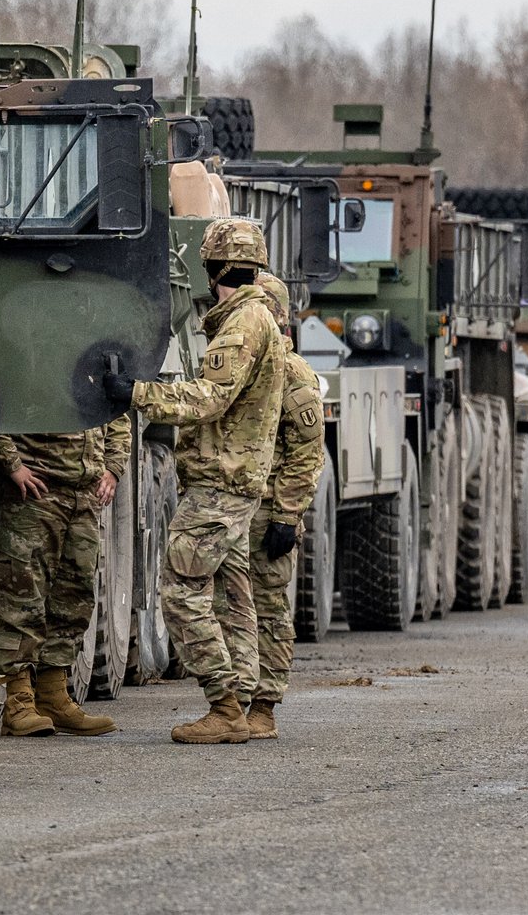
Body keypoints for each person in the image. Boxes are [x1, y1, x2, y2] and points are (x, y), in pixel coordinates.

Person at [104, 218, 285, 744]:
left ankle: (224, 705)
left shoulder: (243, 323)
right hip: (235, 485)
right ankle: (247, 703)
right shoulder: (254, 319)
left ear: (215, 269)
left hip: (219, 487)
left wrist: (137, 393)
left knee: (179, 593)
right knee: (233, 595)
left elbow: (211, 397)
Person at [0, 417, 131, 737]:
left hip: (83, 497)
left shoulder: (92, 364)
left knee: (72, 600)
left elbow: (117, 411)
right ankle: (19, 703)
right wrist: (11, 463)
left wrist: (113, 467)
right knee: (23, 600)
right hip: (34, 492)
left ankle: (53, 696)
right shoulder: (28, 363)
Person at [227, 272, 326, 740]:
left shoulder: (292, 373)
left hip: (269, 512)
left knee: (268, 609)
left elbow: (307, 452)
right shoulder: (238, 363)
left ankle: (264, 705)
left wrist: (287, 515)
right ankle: (231, 700)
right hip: (234, 504)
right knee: (229, 607)